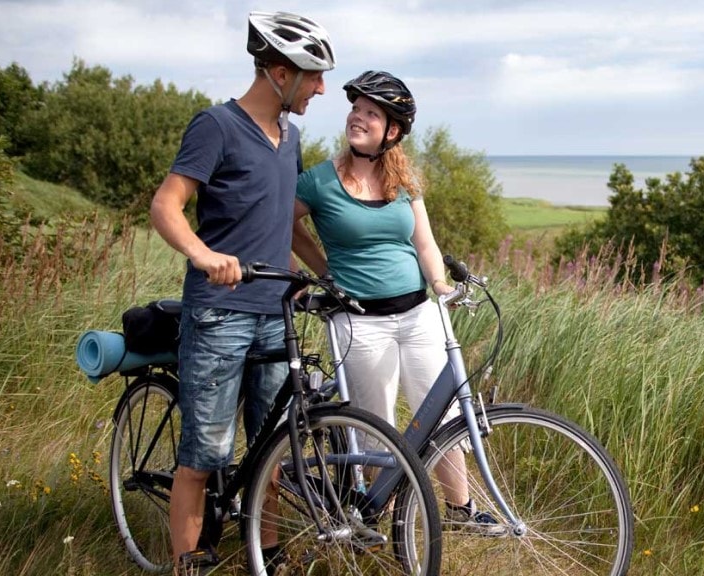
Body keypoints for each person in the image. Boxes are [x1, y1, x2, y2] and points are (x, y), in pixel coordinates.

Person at [148, 11, 334, 575]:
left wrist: (327, 274)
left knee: (273, 453)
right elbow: (166, 204)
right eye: (314, 76)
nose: (322, 88)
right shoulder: (216, 126)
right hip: (219, 314)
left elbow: (286, 223)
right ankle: (189, 562)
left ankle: (267, 555)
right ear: (280, 72)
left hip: (274, 316)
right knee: (205, 455)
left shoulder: (292, 137)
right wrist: (203, 255)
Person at [291, 70, 504, 535]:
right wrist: (322, 271)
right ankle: (375, 520)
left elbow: (425, 244)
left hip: (417, 313)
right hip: (360, 322)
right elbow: (288, 223)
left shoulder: (403, 181)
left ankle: (461, 510)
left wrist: (442, 286)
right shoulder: (320, 181)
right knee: (375, 426)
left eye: (371, 113)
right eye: (356, 109)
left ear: (392, 131)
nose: (357, 117)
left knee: (442, 412)